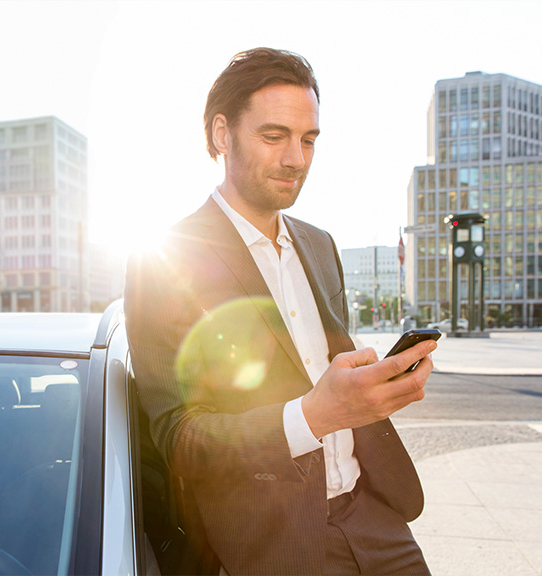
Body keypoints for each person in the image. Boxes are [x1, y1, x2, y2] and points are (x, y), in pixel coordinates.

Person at [124, 47, 437, 575]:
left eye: (308, 139)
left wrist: (375, 387)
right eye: (274, 136)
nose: (297, 157)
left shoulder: (320, 244)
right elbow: (180, 439)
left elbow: (326, 369)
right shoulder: (164, 258)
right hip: (274, 542)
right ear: (222, 135)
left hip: (374, 517)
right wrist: (313, 416)